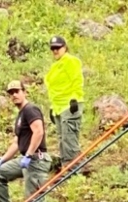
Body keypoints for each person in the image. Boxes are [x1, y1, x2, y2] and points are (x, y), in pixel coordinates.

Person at [0, 80, 53, 202]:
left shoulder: (30, 110)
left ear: (24, 91)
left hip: (36, 160)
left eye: (17, 91)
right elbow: (17, 142)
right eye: (10, 93)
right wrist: (2, 160)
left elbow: (38, 131)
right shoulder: (20, 116)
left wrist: (29, 154)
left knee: (33, 197)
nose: (14, 95)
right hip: (26, 159)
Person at [44, 35, 84, 168]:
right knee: (62, 138)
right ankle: (66, 166)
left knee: (69, 138)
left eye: (58, 48)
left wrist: (75, 98)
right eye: (53, 48)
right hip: (59, 107)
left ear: (65, 48)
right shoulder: (56, 66)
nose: (55, 51)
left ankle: (72, 168)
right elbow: (54, 88)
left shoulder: (70, 61)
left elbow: (77, 80)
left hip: (69, 105)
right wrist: (52, 107)